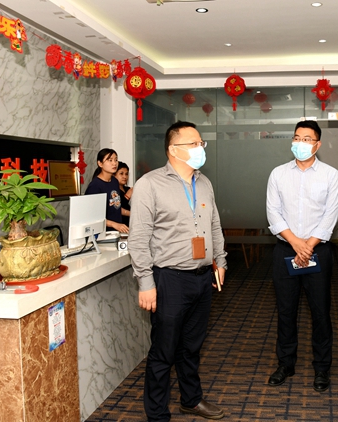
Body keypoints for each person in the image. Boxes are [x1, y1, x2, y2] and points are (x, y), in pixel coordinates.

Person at [128, 121, 227, 422]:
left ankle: (191, 400)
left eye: (201, 143)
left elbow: (214, 226)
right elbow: (138, 238)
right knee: (164, 351)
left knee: (192, 346)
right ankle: (157, 414)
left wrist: (220, 261)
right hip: (169, 278)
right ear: (173, 149)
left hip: (202, 277)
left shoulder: (204, 182)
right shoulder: (149, 184)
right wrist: (146, 282)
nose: (200, 149)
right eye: (193, 144)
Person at [265, 120, 338, 392]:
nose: (301, 143)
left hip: (317, 252)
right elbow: (273, 213)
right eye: (297, 138)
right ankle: (286, 363)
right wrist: (297, 243)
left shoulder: (331, 175)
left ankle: (322, 368)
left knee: (320, 312)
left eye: (307, 139)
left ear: (317, 144)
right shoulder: (278, 174)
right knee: (286, 311)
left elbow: (330, 216)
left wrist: (307, 246)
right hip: (286, 250)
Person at [85, 148, 129, 233]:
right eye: (110, 160)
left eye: (116, 160)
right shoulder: (95, 186)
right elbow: (93, 216)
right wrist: (114, 224)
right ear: (100, 163)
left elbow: (115, 206)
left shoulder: (114, 181)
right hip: (103, 233)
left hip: (116, 232)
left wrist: (132, 213)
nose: (114, 163)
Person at [114, 161, 133, 227]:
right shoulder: (113, 191)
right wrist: (127, 196)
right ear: (114, 175)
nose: (124, 177)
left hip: (130, 224)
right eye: (121, 174)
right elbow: (116, 208)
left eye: (126, 174)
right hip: (119, 225)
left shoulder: (128, 189)